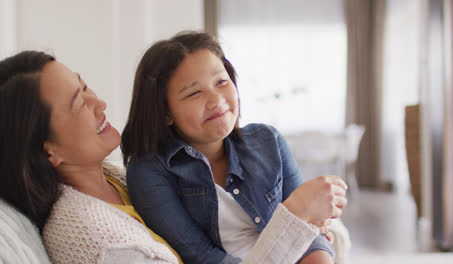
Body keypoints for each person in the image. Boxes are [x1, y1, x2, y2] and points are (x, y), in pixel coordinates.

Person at [0, 50, 347, 264]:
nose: (100, 103)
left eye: (85, 86)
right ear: (49, 151)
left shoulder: (113, 180)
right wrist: (296, 215)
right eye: (79, 102)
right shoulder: (99, 242)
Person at [121, 31, 347, 264]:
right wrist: (296, 212)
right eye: (194, 92)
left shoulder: (269, 141)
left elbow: (311, 235)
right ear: (165, 112)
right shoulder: (149, 171)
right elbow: (201, 258)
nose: (216, 99)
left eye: (221, 82)